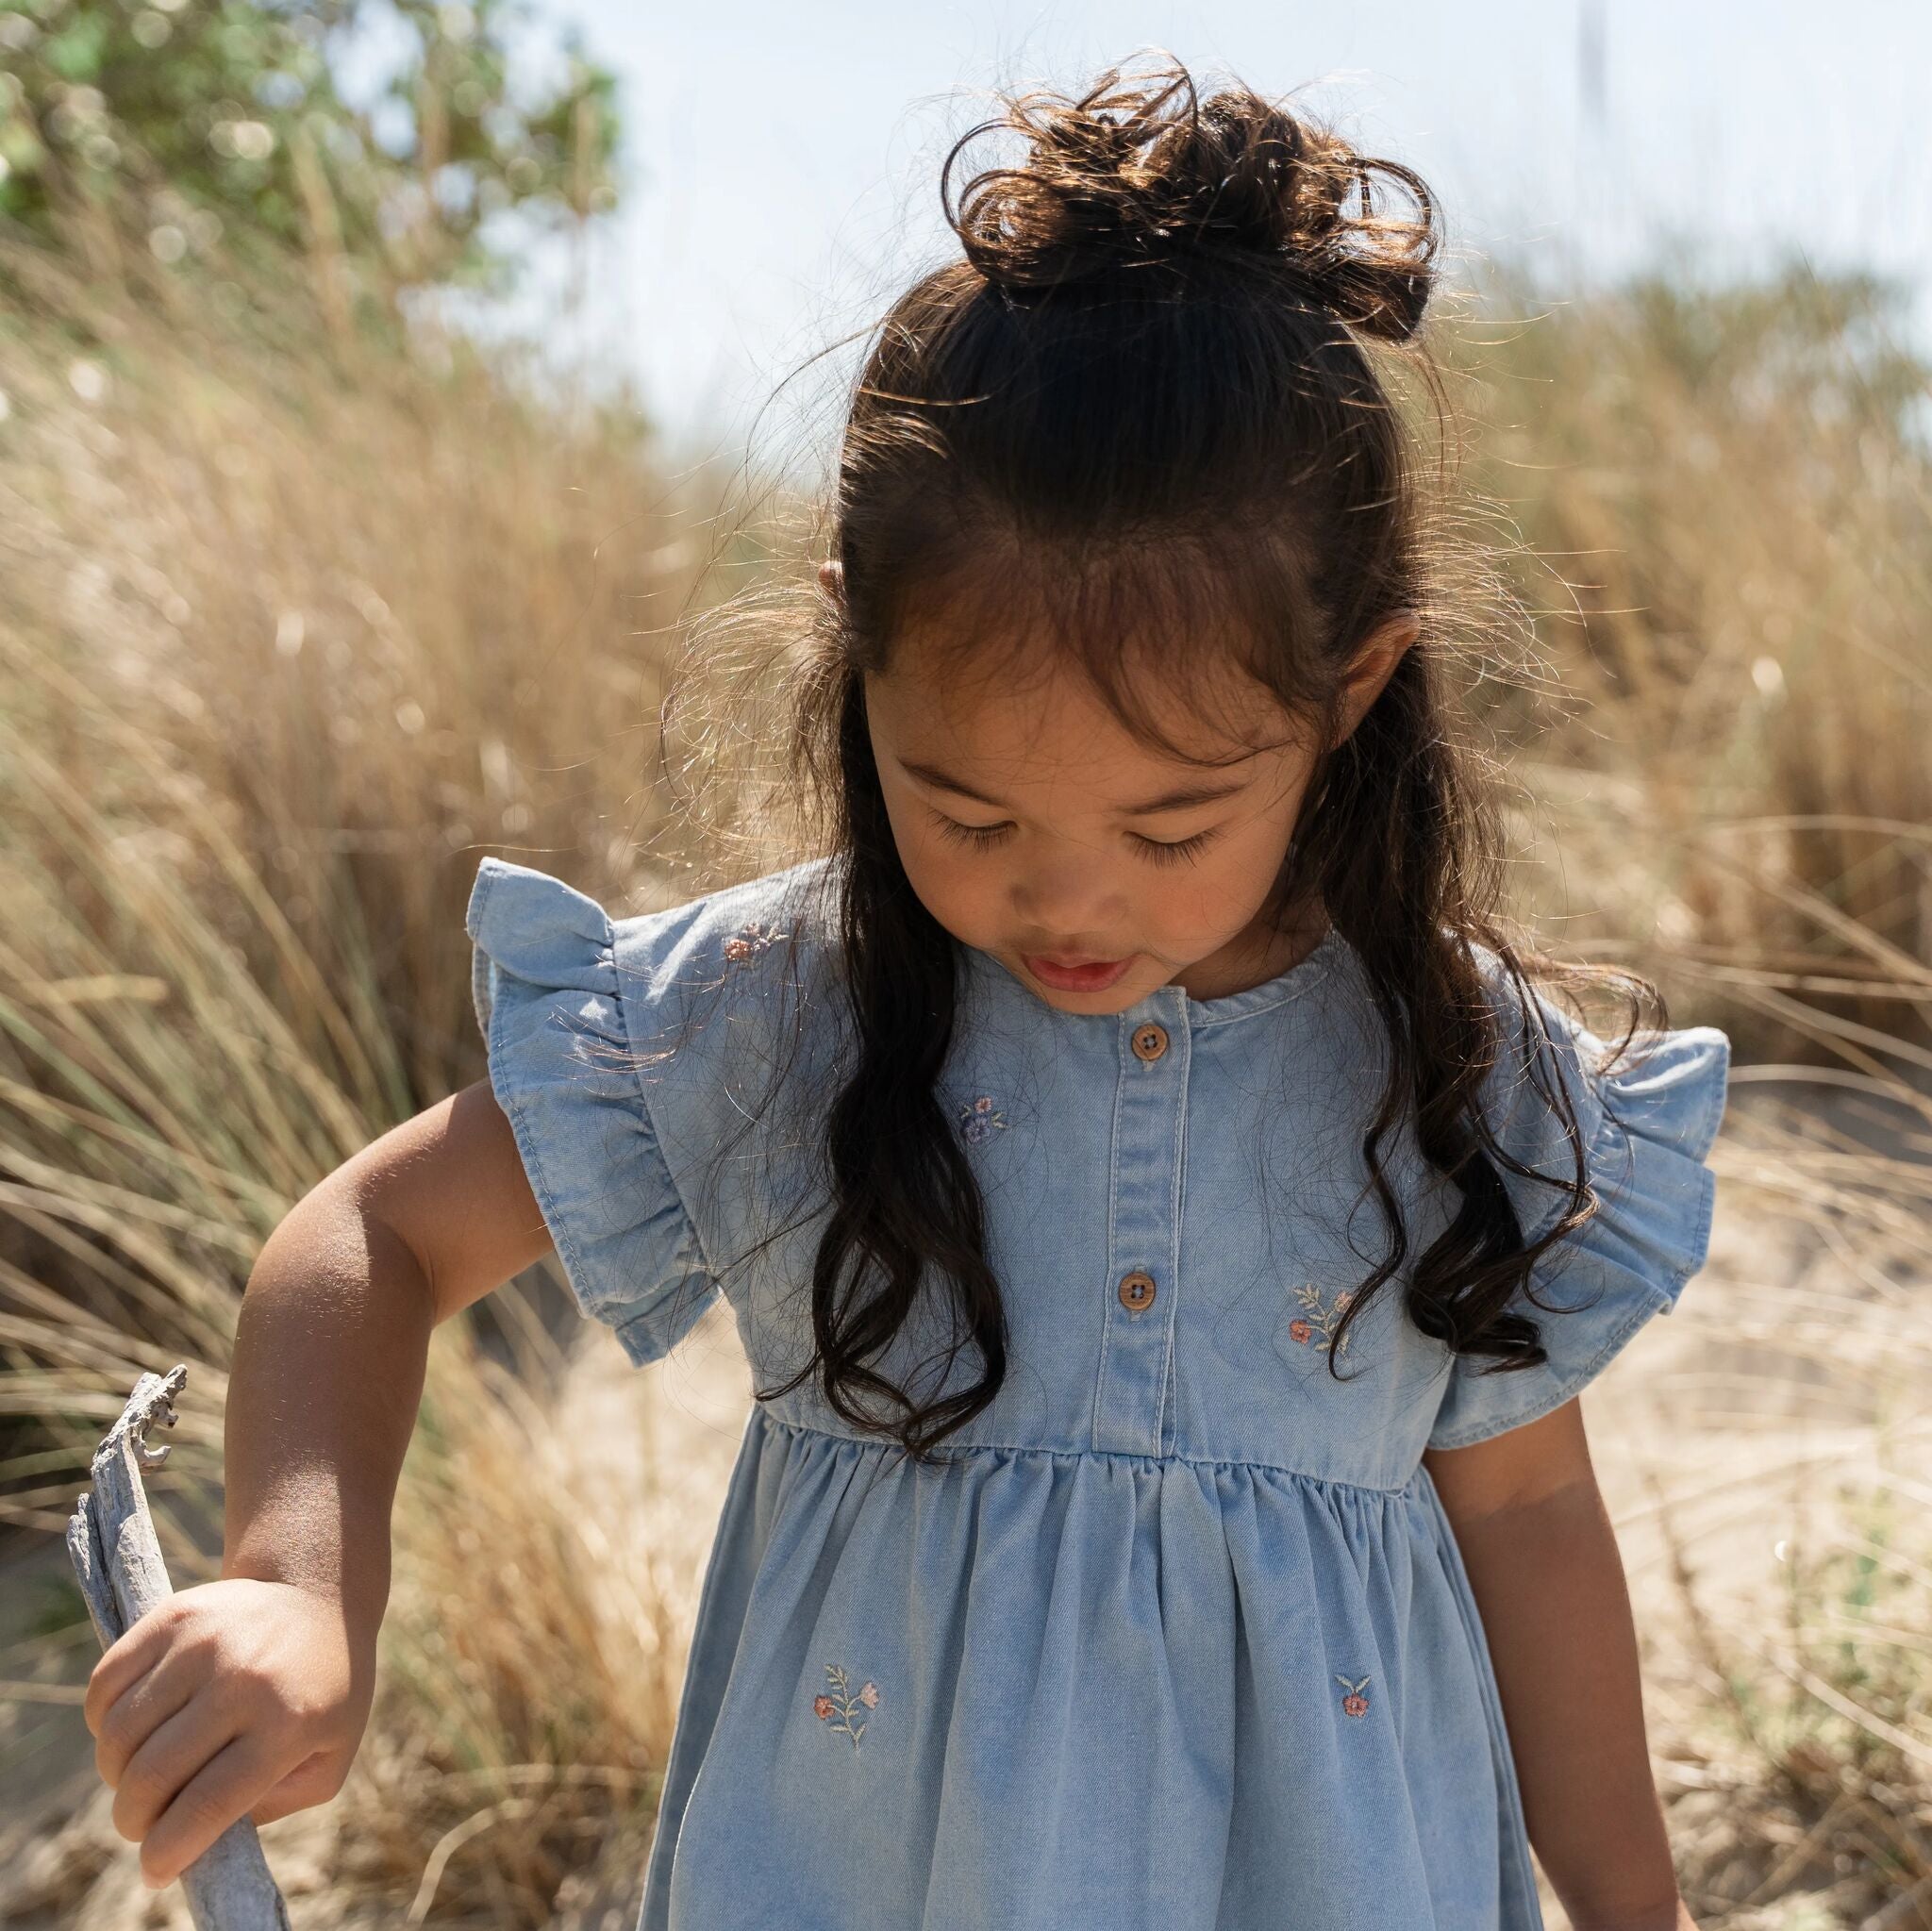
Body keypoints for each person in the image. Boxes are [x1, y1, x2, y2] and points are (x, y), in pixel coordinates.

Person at [83, 55, 1729, 1931]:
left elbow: (1518, 1514)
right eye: (968, 803)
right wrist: (303, 1589)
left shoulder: (1448, 1072)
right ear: (856, 667)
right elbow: (368, 1239)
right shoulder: (797, 1011)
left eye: (1173, 816)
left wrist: (1631, 1908)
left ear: (1347, 698)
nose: (1068, 890)